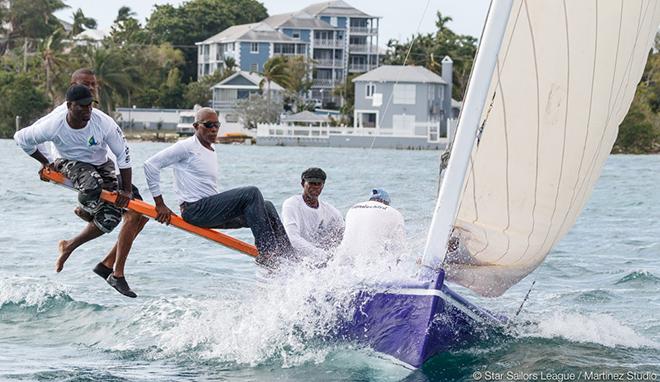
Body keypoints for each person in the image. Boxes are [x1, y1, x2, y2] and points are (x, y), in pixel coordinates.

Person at [29, 68, 148, 298]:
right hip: (82, 175)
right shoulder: (58, 116)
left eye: (93, 84)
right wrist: (47, 163)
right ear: (71, 88)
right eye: (86, 84)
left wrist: (124, 185)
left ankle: (103, 263)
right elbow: (30, 136)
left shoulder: (97, 116)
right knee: (128, 215)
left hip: (109, 173)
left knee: (140, 216)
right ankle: (116, 272)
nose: (92, 88)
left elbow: (121, 153)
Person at [143, 107, 292, 265]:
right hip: (195, 210)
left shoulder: (210, 150)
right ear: (196, 127)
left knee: (266, 206)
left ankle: (289, 257)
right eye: (208, 125)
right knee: (252, 193)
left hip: (211, 210)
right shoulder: (186, 147)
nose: (213, 129)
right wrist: (159, 204)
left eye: (216, 125)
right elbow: (150, 165)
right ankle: (267, 253)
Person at [281, 167, 344, 263]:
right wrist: (322, 256)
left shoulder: (332, 212)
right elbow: (292, 237)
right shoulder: (291, 204)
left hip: (318, 261)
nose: (315, 187)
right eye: (311, 183)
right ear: (303, 184)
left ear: (323, 186)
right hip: (293, 257)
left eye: (318, 184)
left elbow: (344, 234)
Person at [336, 188, 406, 259]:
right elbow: (399, 249)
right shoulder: (393, 212)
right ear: (386, 202)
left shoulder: (352, 208)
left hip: (346, 257)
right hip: (373, 261)